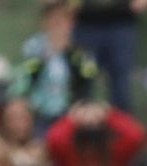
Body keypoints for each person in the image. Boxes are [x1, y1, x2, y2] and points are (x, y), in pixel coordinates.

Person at [12, 0, 102, 132]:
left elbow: (88, 80)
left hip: (70, 113)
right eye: (52, 21)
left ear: (71, 23)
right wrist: (46, 55)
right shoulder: (33, 47)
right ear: (44, 22)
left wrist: (68, 52)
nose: (56, 26)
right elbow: (27, 78)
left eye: (61, 21)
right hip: (40, 112)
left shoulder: (83, 50)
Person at [74, 0, 147, 112]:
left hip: (121, 24)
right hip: (87, 25)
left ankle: (120, 126)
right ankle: (79, 126)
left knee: (121, 88)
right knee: (84, 83)